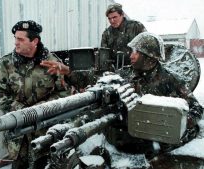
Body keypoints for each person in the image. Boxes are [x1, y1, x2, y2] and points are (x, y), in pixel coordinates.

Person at [41, 32, 203, 158]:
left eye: (136, 52)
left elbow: (196, 108)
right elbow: (98, 79)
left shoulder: (170, 80)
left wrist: (172, 123)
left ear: (149, 58)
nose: (131, 55)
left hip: (154, 145)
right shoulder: (126, 73)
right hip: (127, 139)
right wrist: (68, 71)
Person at [0, 20, 70, 168]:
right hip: (17, 136)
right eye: (15, 38)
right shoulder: (6, 64)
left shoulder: (52, 63)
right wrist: (20, 110)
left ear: (34, 41)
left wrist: (41, 109)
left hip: (44, 134)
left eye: (20, 39)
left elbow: (64, 93)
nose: (16, 43)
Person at [100, 3, 146, 71]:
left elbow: (147, 47)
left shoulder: (136, 27)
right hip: (116, 71)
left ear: (122, 15)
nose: (112, 21)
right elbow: (104, 57)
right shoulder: (107, 34)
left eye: (114, 17)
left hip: (137, 69)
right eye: (109, 18)